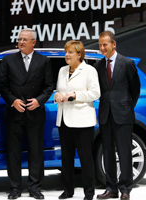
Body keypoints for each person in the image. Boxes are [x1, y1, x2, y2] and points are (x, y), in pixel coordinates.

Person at [0, 28, 54, 199]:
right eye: (20, 39)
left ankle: (35, 188)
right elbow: (2, 86)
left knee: (36, 151)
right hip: (14, 112)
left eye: (25, 39)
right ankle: (15, 188)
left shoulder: (43, 61)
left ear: (33, 42)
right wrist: (12, 100)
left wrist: (39, 100)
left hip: (35, 113)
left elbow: (49, 87)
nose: (21, 42)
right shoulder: (8, 60)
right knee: (13, 152)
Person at [94, 31, 141, 200]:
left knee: (124, 153)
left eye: (104, 44)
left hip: (123, 115)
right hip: (106, 115)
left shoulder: (127, 63)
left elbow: (135, 89)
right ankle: (111, 188)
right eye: (99, 45)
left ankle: (125, 188)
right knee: (107, 153)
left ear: (114, 44)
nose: (102, 48)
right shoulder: (99, 66)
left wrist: (127, 107)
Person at [54, 40, 100, 200]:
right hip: (64, 120)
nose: (66, 55)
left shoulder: (89, 70)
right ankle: (68, 191)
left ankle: (89, 193)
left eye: (70, 52)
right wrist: (57, 95)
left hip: (82, 122)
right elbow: (59, 91)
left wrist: (75, 96)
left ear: (79, 54)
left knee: (86, 159)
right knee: (66, 159)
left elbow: (95, 93)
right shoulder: (62, 71)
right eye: (66, 52)